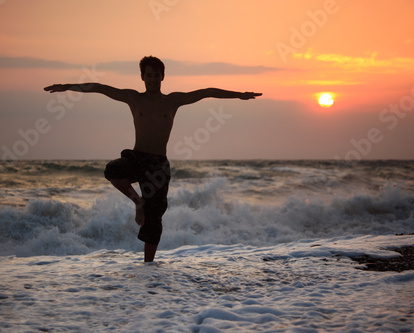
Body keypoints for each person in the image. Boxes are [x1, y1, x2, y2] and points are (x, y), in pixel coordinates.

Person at [44, 56, 262, 262]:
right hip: (137, 157)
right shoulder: (133, 98)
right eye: (148, 75)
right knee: (113, 170)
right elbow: (100, 88)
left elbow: (207, 92)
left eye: (156, 75)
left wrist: (239, 95)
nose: (153, 80)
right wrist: (67, 87)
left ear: (162, 77)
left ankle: (148, 267)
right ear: (142, 77)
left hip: (158, 164)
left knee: (154, 220)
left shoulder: (173, 101)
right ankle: (138, 201)